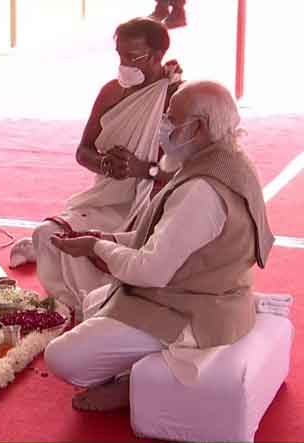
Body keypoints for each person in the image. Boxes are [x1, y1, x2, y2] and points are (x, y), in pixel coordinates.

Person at [43, 80, 274, 411]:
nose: (163, 126)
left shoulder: (201, 191)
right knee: (95, 300)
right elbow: (165, 237)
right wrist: (106, 239)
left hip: (195, 310)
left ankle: (136, 383)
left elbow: (149, 271)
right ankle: (140, 366)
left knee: (63, 357)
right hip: (211, 289)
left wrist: (96, 248)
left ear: (198, 128)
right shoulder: (231, 160)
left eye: (170, 118)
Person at [10, 17, 181, 319]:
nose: (123, 64)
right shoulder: (111, 92)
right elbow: (82, 151)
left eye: (133, 57)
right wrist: (104, 163)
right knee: (47, 235)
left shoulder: (177, 99)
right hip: (105, 202)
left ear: (157, 56)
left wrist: (143, 169)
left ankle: (102, 308)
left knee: (123, 254)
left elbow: (190, 174)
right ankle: (72, 306)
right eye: (119, 55)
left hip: (151, 209)